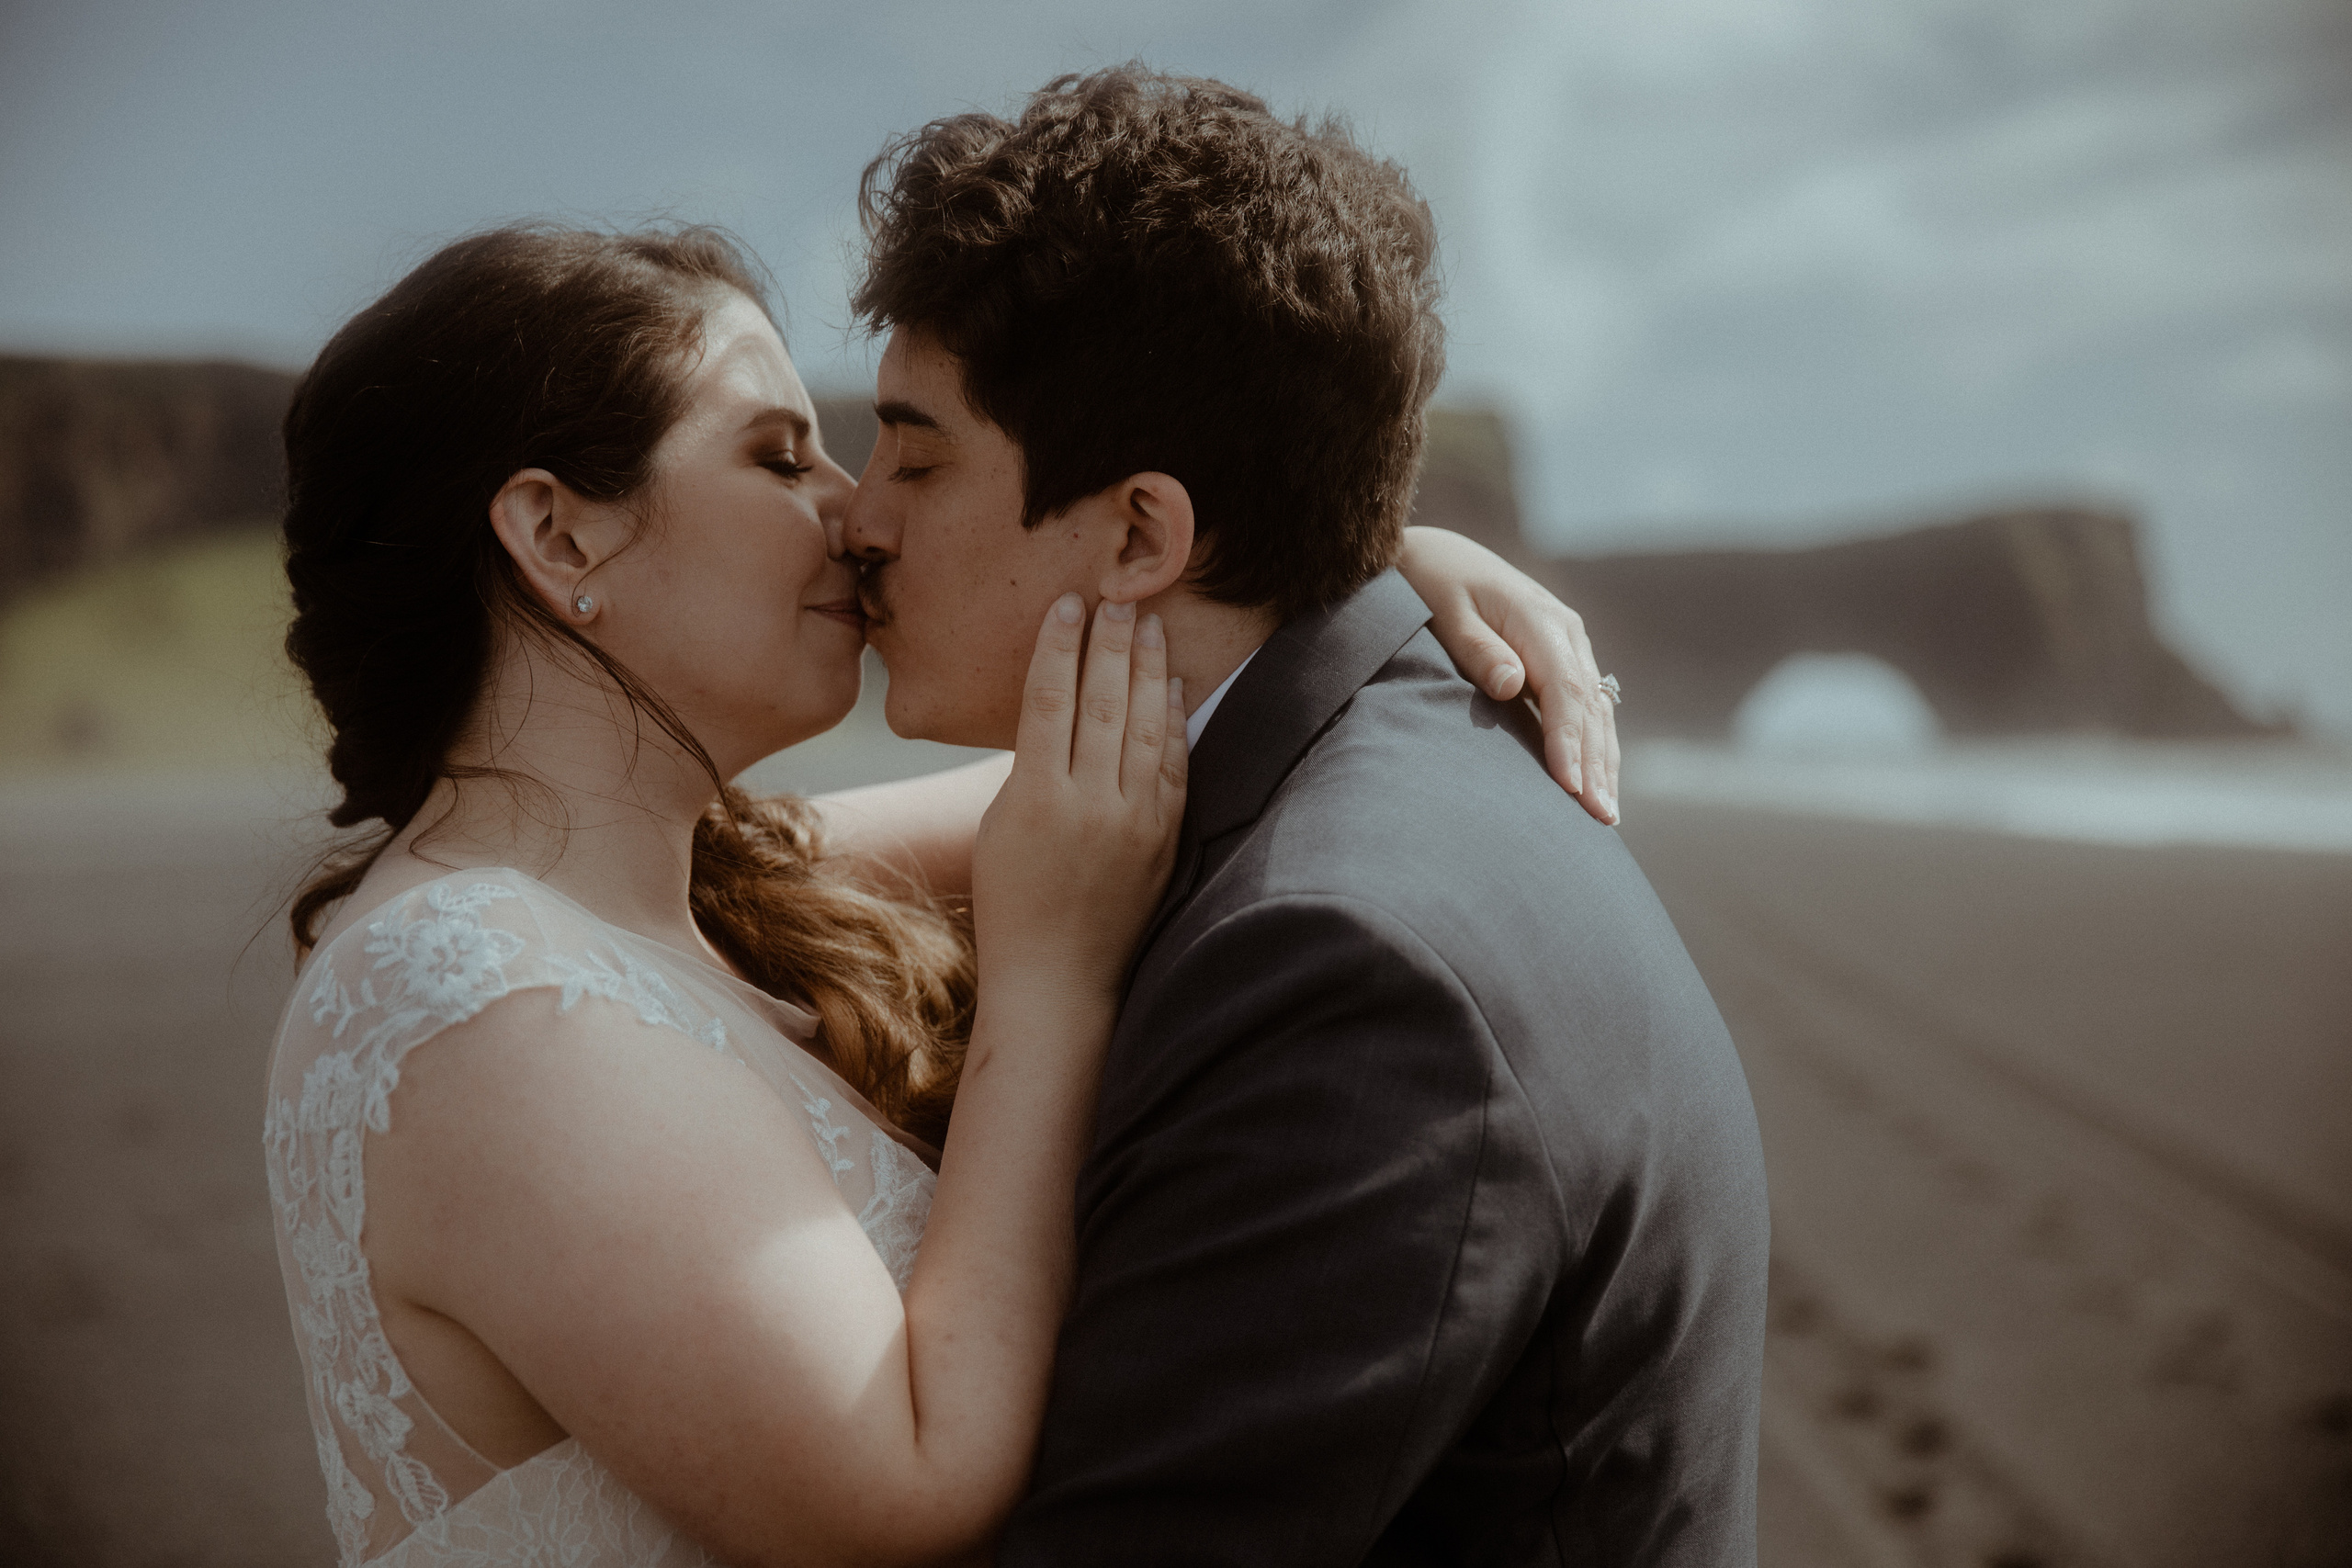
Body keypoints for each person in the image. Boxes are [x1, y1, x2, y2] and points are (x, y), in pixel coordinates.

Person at [263, 222, 1613, 1566]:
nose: (852, 514)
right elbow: (904, 1486)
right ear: (559, 538)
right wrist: (1048, 986)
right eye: (779, 456)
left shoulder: (672, 893)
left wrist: (1349, 572)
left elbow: (1155, 747)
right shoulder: (476, 1001)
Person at [842, 66, 1771, 1563]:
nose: (855, 517)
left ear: (1144, 530)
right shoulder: (1329, 770)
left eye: (917, 456)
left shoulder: (1347, 967)